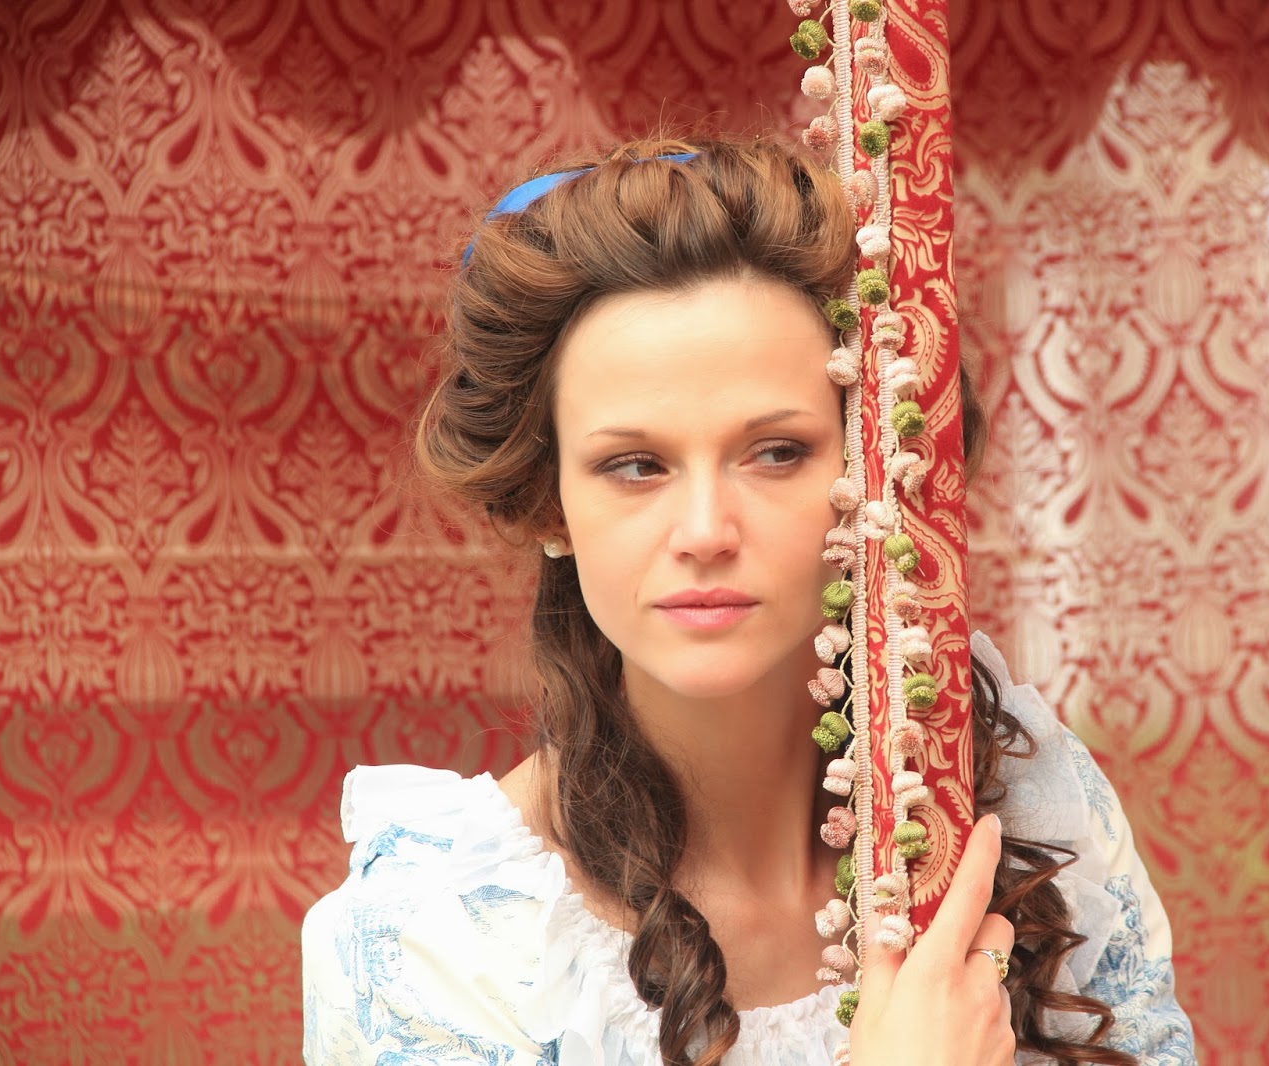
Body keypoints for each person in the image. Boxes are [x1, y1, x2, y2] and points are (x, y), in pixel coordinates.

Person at [300, 134, 1195, 1066]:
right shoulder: (429, 946)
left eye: (776, 453)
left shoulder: (1036, 822)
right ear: (546, 500)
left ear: (872, 471)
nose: (705, 530)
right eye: (634, 466)